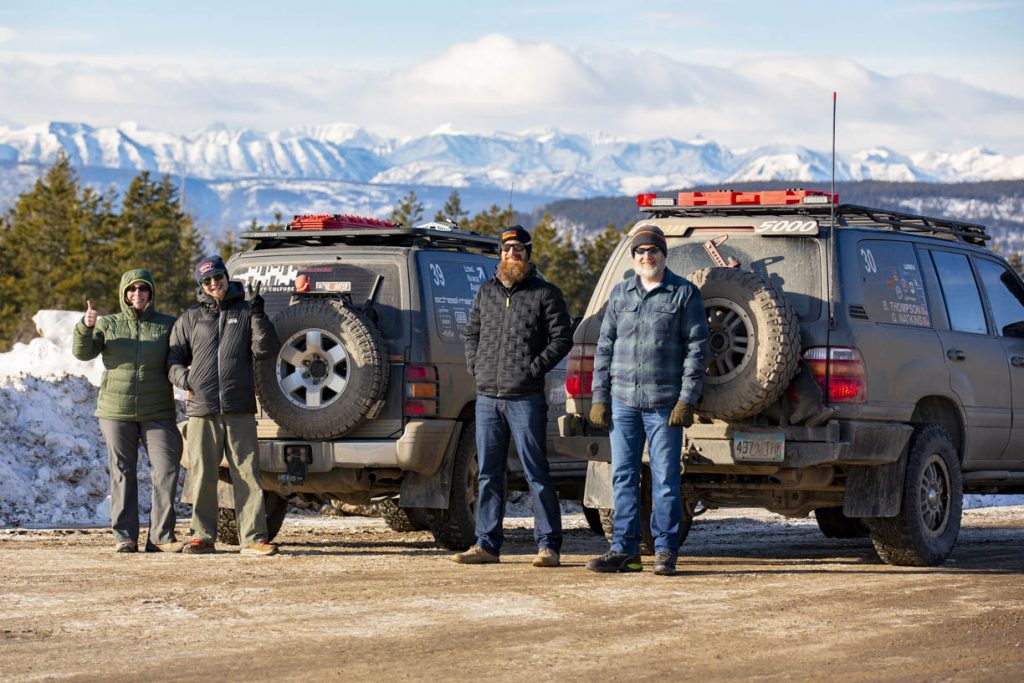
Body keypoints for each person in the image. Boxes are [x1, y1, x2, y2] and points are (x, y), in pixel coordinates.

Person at [586, 226, 709, 576]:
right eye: (640, 252)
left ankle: (665, 550)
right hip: (623, 402)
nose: (646, 256)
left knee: (666, 478)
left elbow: (697, 350)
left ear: (663, 254)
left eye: (653, 250)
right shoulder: (621, 294)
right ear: (634, 258)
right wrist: (600, 397)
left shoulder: (684, 293)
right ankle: (625, 550)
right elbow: (604, 348)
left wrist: (686, 400)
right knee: (623, 476)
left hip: (664, 405)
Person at [453, 225, 574, 567]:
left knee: (536, 472)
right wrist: (476, 365)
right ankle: (486, 545)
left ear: (528, 254)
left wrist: (533, 368)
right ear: (500, 254)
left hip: (525, 398)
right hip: (488, 397)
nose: (512, 255)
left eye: (518, 249)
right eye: (507, 250)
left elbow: (562, 338)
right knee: (489, 473)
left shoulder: (545, 293)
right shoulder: (485, 293)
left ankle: (548, 545)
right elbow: (471, 334)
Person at [167, 255, 281, 556]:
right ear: (201, 286)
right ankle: (202, 536)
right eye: (207, 281)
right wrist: (184, 379)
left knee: (246, 473)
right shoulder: (190, 318)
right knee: (203, 474)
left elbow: (266, 349)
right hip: (202, 408)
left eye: (217, 277)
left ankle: (254, 538)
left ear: (226, 278)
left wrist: (258, 314)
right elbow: (173, 359)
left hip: (238, 405)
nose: (213, 284)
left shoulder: (245, 311)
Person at [72, 269, 183, 553]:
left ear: (151, 292)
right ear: (124, 293)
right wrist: (85, 327)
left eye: (143, 289)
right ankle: (125, 536)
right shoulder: (108, 324)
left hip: (157, 409)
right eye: (131, 289)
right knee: (122, 471)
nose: (137, 294)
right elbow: (83, 353)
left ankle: (160, 535)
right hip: (116, 410)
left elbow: (184, 355)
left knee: (167, 468)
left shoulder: (167, 324)